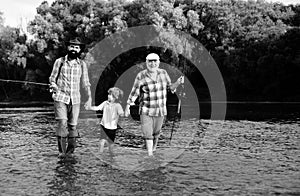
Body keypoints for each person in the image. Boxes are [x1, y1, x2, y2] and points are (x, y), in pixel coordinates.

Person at [124, 53, 184, 156]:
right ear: (146, 63)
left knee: (156, 134)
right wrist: (128, 105)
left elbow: (170, 88)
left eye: (155, 61)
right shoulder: (141, 75)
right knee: (148, 135)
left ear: (158, 62)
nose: (152, 63)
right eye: (150, 61)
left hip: (160, 110)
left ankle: (152, 151)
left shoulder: (163, 73)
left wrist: (178, 83)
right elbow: (135, 91)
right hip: (146, 110)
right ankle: (150, 156)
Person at [49, 37, 92, 157]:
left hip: (76, 100)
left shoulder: (82, 65)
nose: (74, 49)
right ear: (68, 48)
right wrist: (53, 86)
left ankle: (70, 153)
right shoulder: (60, 61)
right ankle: (62, 153)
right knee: (62, 124)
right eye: (72, 46)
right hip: (60, 98)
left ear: (79, 50)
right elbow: (52, 78)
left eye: (76, 47)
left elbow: (85, 83)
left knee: (73, 126)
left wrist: (89, 98)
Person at [85, 87, 124, 153]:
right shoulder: (105, 103)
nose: (108, 96)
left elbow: (121, 113)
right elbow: (97, 108)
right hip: (104, 125)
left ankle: (111, 157)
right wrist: (89, 108)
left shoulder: (118, 105)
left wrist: (122, 114)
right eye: (108, 94)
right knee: (101, 141)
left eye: (110, 95)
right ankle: (100, 154)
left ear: (115, 97)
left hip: (112, 128)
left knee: (111, 145)